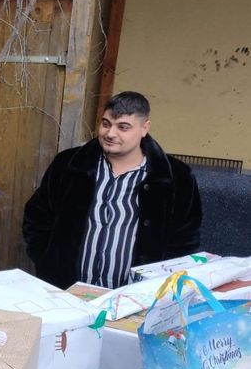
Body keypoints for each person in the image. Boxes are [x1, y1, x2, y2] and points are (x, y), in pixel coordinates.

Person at [23, 91, 202, 290]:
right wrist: (47, 261)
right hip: (66, 291)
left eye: (123, 127)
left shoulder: (176, 177)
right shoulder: (69, 166)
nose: (110, 133)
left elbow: (185, 240)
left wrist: (158, 285)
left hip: (135, 298)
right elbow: (36, 217)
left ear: (145, 128)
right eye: (106, 124)